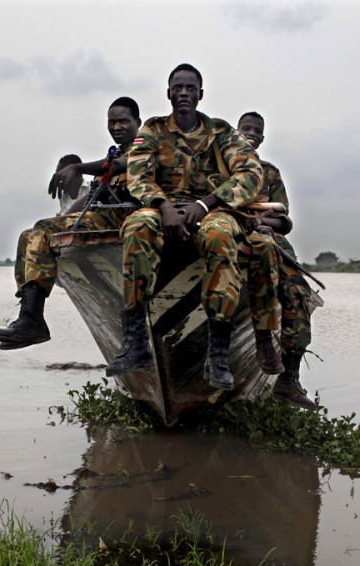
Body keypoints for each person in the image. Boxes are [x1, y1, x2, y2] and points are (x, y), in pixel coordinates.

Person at [105, 64, 271, 391]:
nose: (184, 93)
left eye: (190, 88)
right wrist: (163, 206)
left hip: (211, 209)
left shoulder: (221, 133)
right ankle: (136, 340)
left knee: (221, 236)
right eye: (177, 88)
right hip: (162, 207)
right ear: (168, 93)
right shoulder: (152, 130)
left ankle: (218, 353)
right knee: (137, 225)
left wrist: (206, 203)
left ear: (200, 94)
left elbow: (251, 174)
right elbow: (139, 174)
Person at [0, 97, 142, 350]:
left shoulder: (145, 146)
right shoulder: (114, 153)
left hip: (130, 220)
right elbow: (93, 196)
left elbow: (118, 167)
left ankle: (32, 320)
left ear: (138, 122)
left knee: (42, 229)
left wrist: (76, 166)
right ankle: (30, 315)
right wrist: (61, 222)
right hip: (103, 217)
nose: (117, 127)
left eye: (124, 121)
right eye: (112, 122)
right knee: (30, 235)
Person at [237, 111, 318, 409]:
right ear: (235, 132)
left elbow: (285, 222)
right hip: (232, 236)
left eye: (256, 130)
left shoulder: (269, 173)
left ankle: (288, 379)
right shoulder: (222, 167)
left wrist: (264, 223)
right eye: (245, 128)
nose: (251, 134)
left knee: (298, 293)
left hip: (270, 240)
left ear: (262, 137)